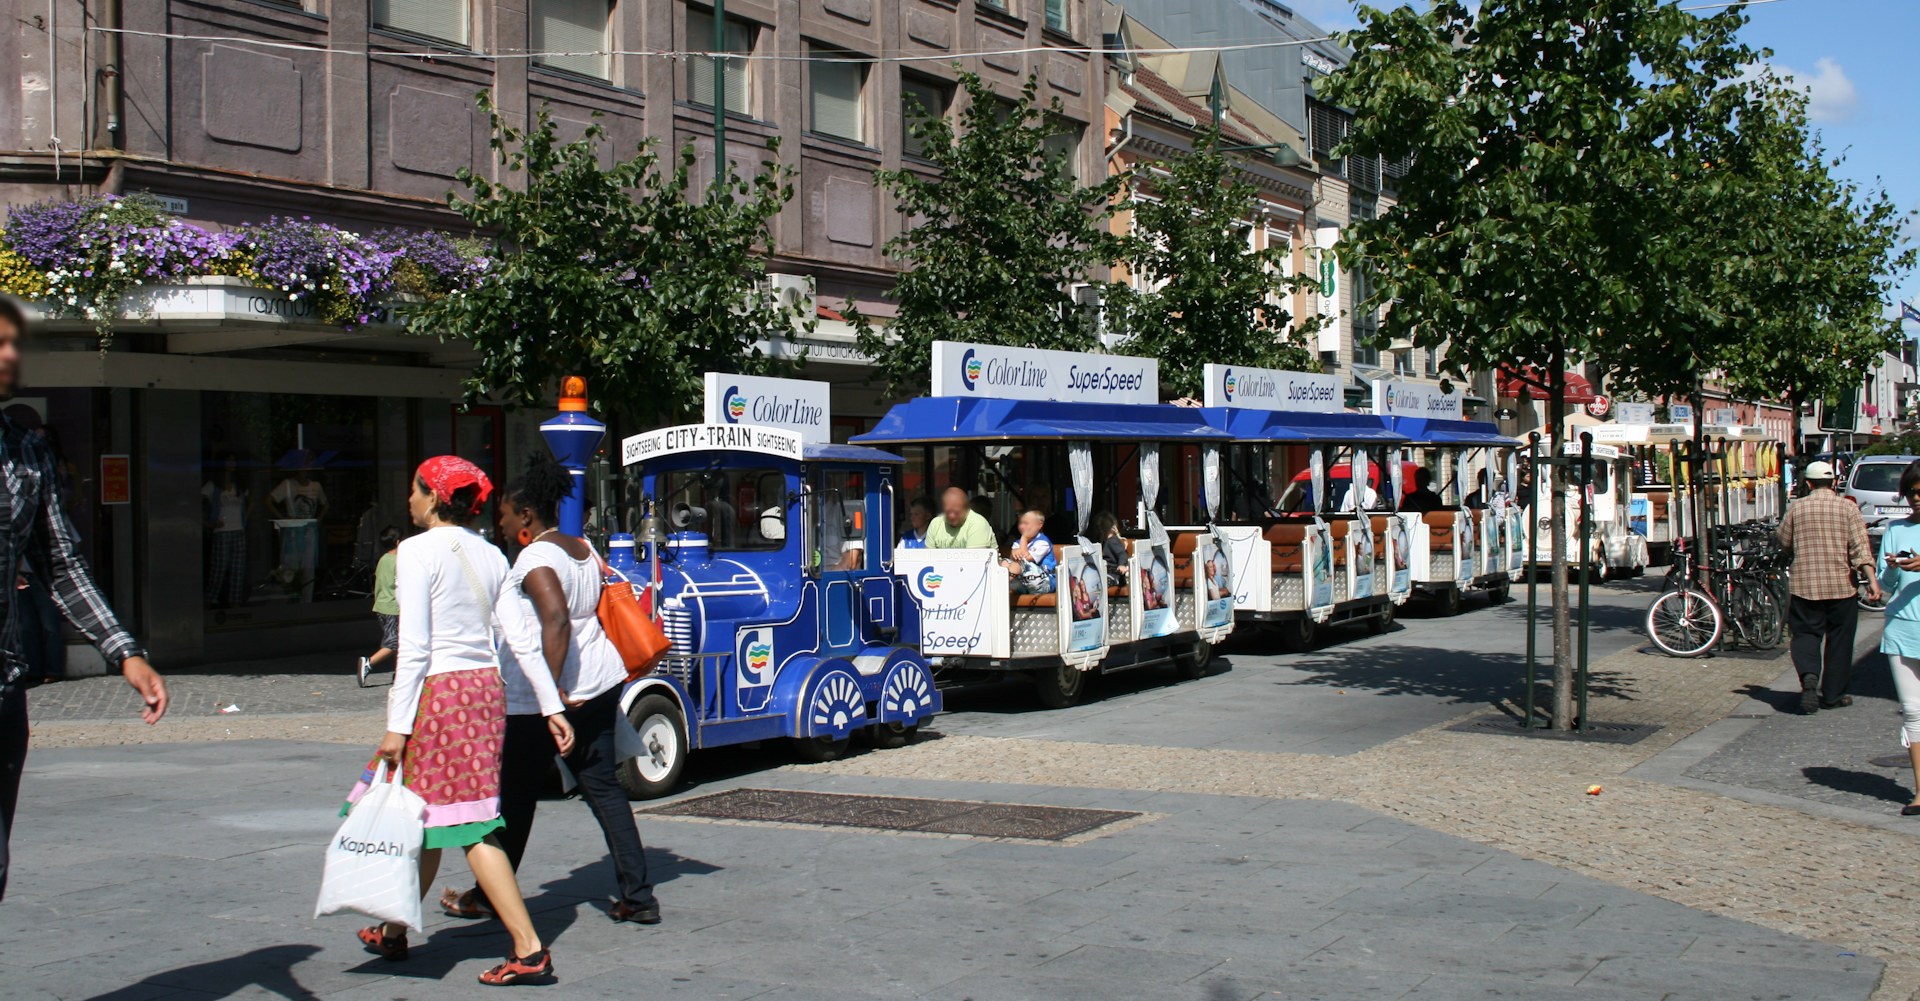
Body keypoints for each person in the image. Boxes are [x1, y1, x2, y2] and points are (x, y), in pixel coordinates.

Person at [350, 456, 571, 986]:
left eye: (415, 490)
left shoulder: (415, 551)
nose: (409, 500)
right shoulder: (491, 553)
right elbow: (520, 638)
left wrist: (397, 726)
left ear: (433, 497)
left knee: (471, 826)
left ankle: (529, 947)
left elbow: (415, 648)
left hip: (441, 696)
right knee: (433, 815)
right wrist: (551, 705)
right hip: (483, 694)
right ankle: (395, 930)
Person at [440, 455, 662, 926]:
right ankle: (638, 896)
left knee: (514, 798)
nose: (498, 522)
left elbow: (557, 619)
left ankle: (486, 896)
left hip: (553, 695)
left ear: (525, 515)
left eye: (503, 514)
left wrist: (552, 695)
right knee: (602, 787)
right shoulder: (581, 547)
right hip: (599, 680)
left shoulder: (536, 557)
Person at [0, 296, 168, 900]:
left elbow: (61, 563)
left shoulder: (25, 451)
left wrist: (124, 650)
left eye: (14, 344)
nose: (11, 357)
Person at [1778, 459, 1878, 715]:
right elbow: (1860, 548)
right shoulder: (1847, 508)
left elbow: (1784, 541)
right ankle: (1833, 695)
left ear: (1808, 483)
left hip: (1805, 584)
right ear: (1834, 482)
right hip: (1841, 586)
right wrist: (1872, 581)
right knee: (1840, 640)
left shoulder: (1797, 508)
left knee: (1805, 635)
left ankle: (1809, 676)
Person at [1876, 460, 1920, 814]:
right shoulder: (1895, 530)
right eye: (1912, 493)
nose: (1917, 499)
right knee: (1913, 712)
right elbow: (1885, 586)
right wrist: (1891, 568)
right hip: (1902, 628)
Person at [269, 455, 329, 601]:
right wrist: (283, 518)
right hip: (293, 533)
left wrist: (319, 519)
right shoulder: (288, 484)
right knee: (291, 569)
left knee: (308, 570)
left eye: (307, 465)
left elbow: (325, 503)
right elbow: (268, 501)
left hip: (309, 532)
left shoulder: (315, 486)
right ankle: (291, 600)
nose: (304, 469)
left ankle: (306, 602)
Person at [204, 453, 250, 609]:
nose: (231, 463)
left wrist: (245, 519)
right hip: (222, 531)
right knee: (219, 568)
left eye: (233, 460)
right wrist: (210, 524)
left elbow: (250, 502)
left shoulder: (239, 485)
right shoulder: (213, 486)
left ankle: (234, 601)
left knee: (238, 570)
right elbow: (196, 502)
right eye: (228, 460)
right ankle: (211, 600)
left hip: (238, 530)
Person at [358, 526, 402, 687]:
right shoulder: (398, 562)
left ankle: (400, 673)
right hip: (393, 607)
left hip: (381, 606)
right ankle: (369, 663)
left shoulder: (382, 560)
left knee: (400, 642)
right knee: (393, 642)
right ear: (398, 543)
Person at [1000, 509, 1057, 594]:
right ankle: (1004, 585)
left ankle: (1002, 585)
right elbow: (1012, 560)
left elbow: (1027, 558)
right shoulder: (1017, 543)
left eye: (1026, 523)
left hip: (1044, 582)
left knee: (1020, 561)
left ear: (1039, 525)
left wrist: (1024, 538)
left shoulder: (1043, 542)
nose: (1022, 526)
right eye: (1020, 523)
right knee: (1004, 562)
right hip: (1025, 583)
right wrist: (1013, 553)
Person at [926, 487, 996, 549]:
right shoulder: (935, 524)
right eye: (948, 512)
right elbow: (928, 557)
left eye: (956, 512)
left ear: (967, 508)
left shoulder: (978, 523)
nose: (952, 516)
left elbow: (975, 560)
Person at [1092, 512, 1130, 588]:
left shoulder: (1112, 541)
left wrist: (1121, 565)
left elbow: (1122, 554)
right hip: (1105, 572)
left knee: (1101, 582)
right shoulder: (1103, 542)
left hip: (1113, 574)